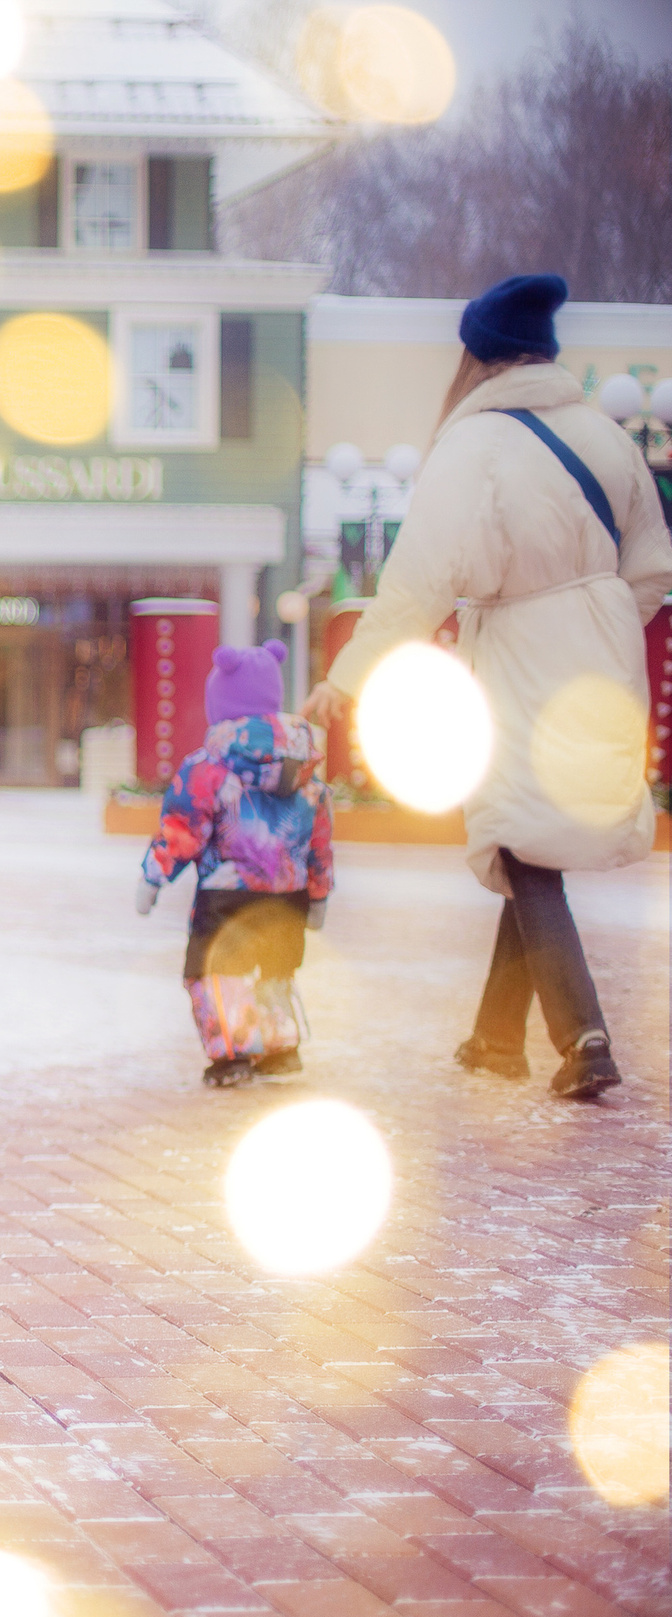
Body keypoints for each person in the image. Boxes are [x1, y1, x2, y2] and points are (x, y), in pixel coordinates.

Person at [305, 274, 671, 1102]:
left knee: (515, 830)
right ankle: (496, 1038)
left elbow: (416, 583)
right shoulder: (607, 438)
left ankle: (584, 1036)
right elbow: (653, 566)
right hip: (606, 660)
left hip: (518, 655)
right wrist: (603, 620)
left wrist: (349, 676)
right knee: (532, 829)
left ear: (475, 357)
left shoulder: (472, 447)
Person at [137, 640, 334, 1087]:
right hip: (289, 894)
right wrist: (319, 894)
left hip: (226, 892)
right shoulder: (305, 770)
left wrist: (153, 877)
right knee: (275, 969)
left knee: (215, 974)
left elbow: (182, 829)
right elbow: (319, 839)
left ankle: (233, 1056)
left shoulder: (208, 767)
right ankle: (280, 1051)